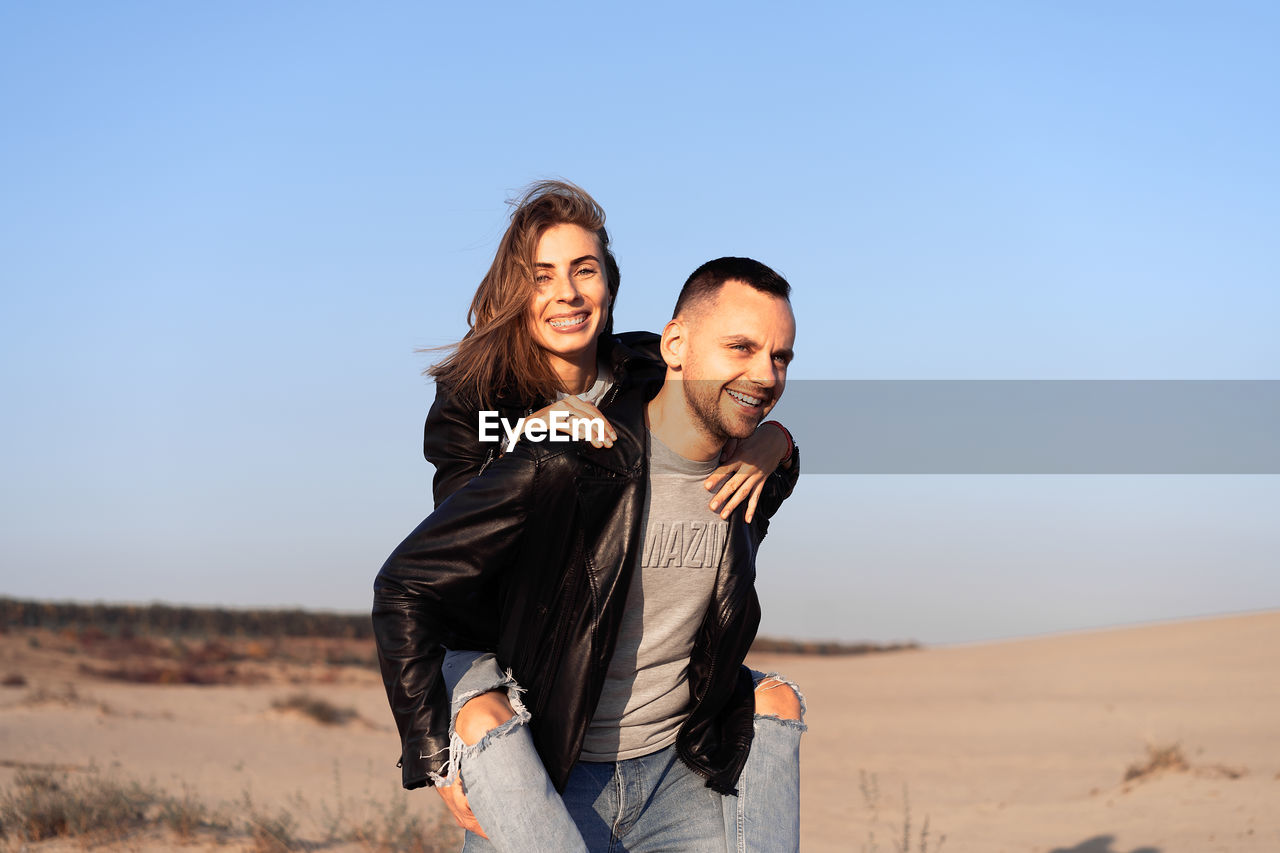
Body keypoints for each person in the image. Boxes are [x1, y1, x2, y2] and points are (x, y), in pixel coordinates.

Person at [383, 180, 801, 849]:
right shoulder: (475, 399)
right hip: (504, 649)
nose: (568, 293)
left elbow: (715, 402)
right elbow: (462, 552)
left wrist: (774, 443)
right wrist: (533, 440)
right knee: (491, 720)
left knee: (774, 700)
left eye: (585, 270)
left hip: (605, 653)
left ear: (609, 281)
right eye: (542, 275)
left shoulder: (638, 363)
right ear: (516, 289)